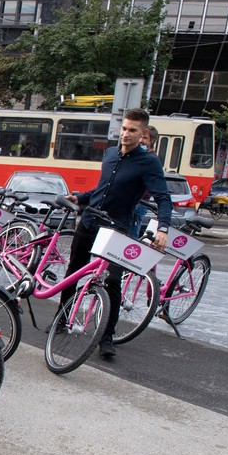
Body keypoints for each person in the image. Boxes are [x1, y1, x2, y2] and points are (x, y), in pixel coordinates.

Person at [62, 108, 172, 358]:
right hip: (89, 220)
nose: (126, 134)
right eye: (124, 128)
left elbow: (163, 198)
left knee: (111, 281)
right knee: (73, 271)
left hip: (116, 228)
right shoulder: (110, 154)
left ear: (143, 133)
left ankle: (106, 338)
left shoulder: (149, 163)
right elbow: (101, 190)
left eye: (132, 130)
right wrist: (80, 197)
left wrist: (163, 228)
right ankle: (62, 318)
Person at [130, 125, 159, 238]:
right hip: (130, 201)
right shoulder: (138, 155)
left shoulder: (152, 159)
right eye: (140, 137)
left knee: (132, 235)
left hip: (139, 202)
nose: (141, 140)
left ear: (152, 140)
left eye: (145, 138)